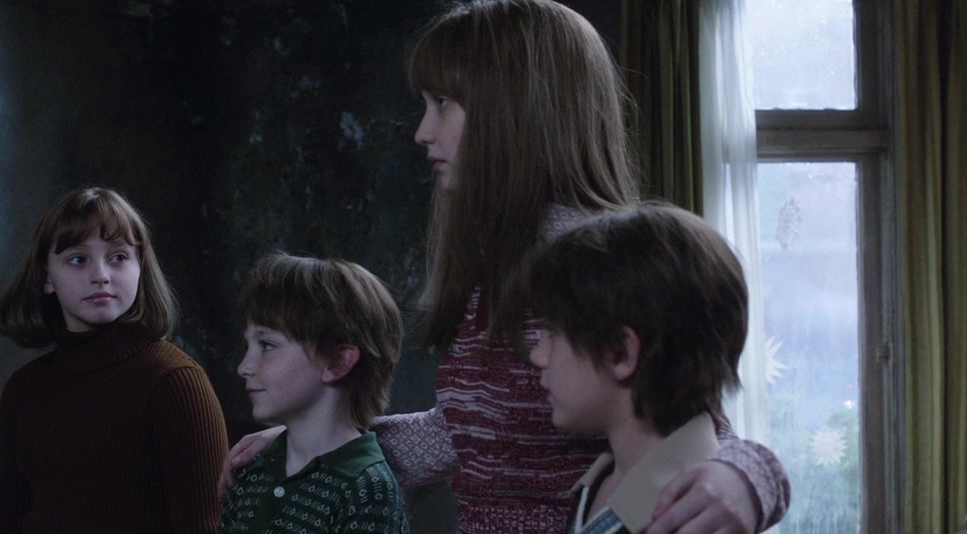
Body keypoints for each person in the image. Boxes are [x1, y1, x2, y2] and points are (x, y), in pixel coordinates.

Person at [220, 1, 790, 532]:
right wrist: (317, 445)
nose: (422, 131)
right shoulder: (497, 264)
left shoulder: (598, 265)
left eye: (443, 103)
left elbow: (698, 430)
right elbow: (469, 434)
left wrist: (748, 478)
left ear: (514, 110)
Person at [0, 187, 228, 533]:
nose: (100, 274)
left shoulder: (174, 381)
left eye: (118, 257)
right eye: (78, 259)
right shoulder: (23, 390)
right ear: (46, 278)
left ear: (140, 266)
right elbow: (7, 525)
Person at [523, 203, 751, 533]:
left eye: (553, 333)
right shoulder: (604, 478)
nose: (538, 355)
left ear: (620, 353)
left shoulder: (686, 517)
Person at [220, 254, 409, 533]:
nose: (244, 367)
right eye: (248, 346)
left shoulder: (367, 490)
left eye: (267, 345)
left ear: (337, 362)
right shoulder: (252, 467)